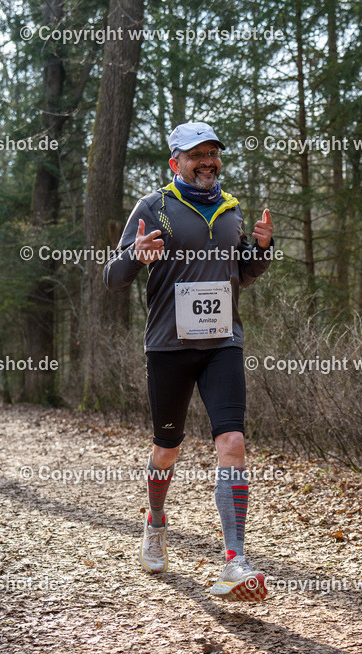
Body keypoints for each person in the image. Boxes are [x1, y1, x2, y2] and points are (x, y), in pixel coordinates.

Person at [104, 122, 275, 602]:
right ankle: (156, 520)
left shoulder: (231, 210)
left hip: (223, 343)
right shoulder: (152, 207)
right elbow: (111, 278)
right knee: (168, 448)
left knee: (233, 440)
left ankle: (235, 561)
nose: (207, 161)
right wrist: (136, 257)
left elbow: (240, 274)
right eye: (196, 154)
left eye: (212, 154)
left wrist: (261, 250)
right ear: (175, 162)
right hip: (168, 346)